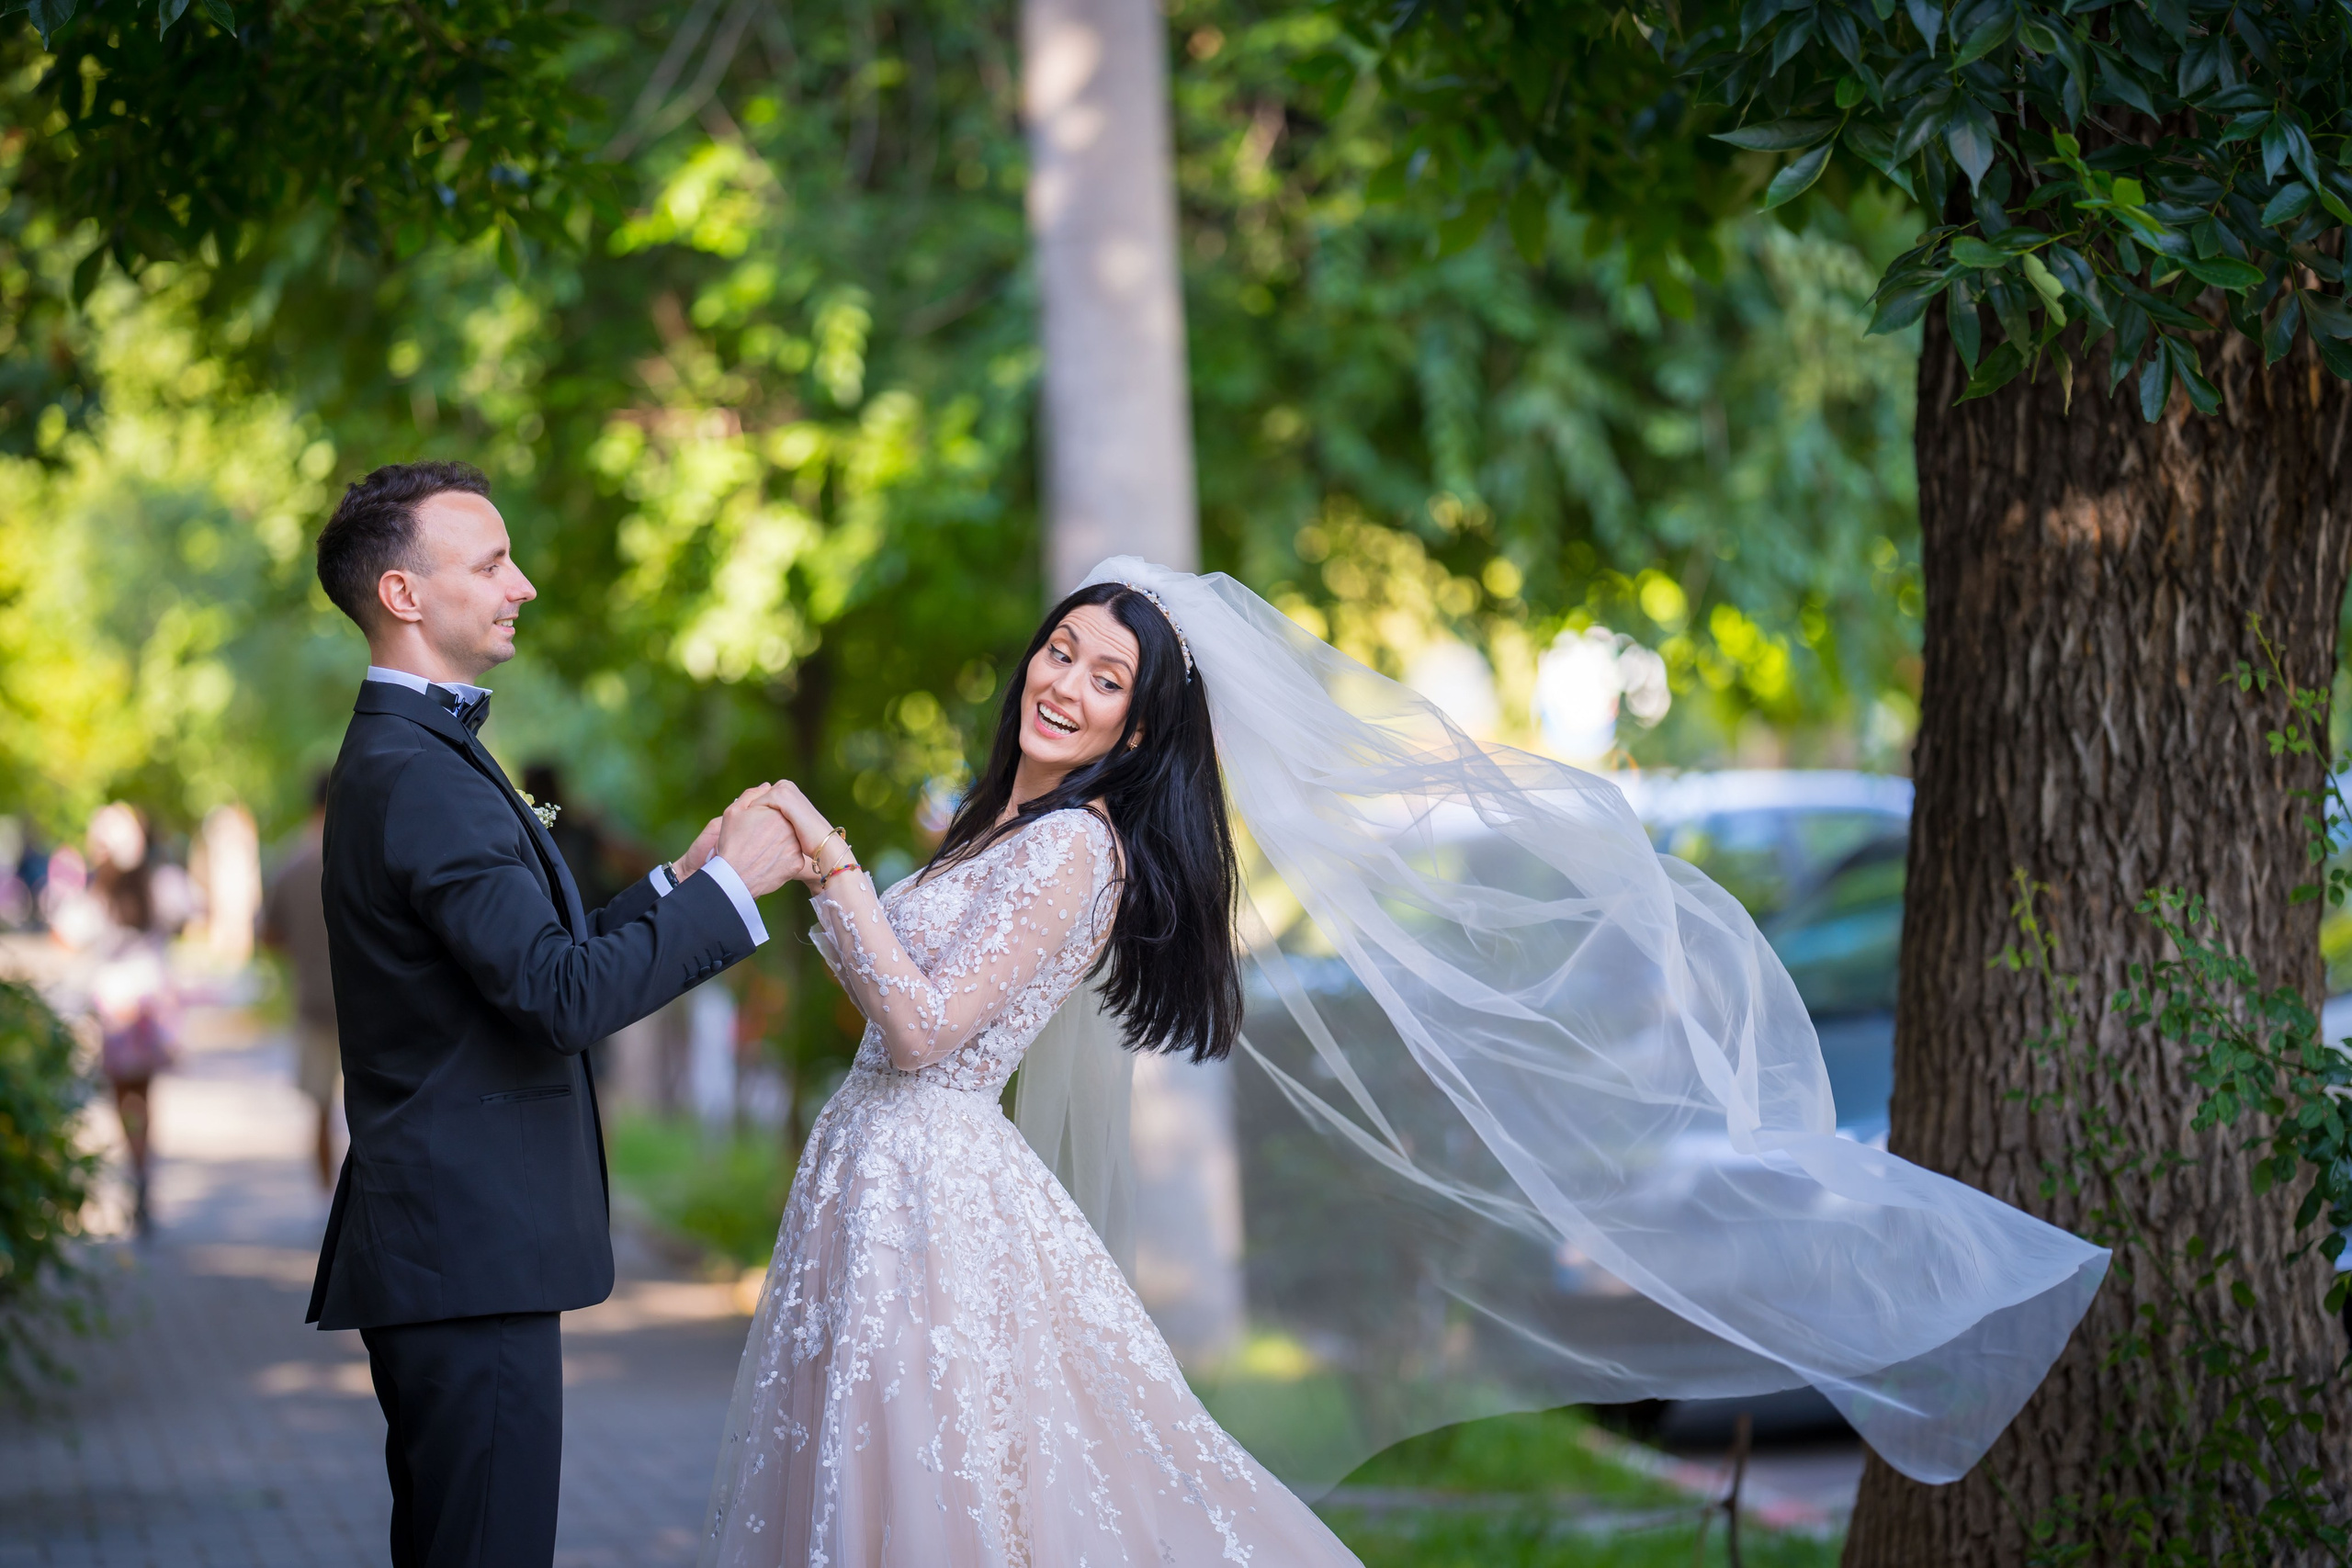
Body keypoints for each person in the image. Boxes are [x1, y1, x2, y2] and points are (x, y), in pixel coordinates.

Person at [700, 561, 2108, 1567]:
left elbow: (928, 1029)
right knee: (878, 1482)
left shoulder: (1078, 847)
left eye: (1106, 676)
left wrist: (829, 867)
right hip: (882, 1179)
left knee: (975, 1491)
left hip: (941, 1188)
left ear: (1141, 725)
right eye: (1060, 651)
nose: (1066, 682)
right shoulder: (992, 831)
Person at [305, 460, 805, 1568]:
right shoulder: (420, 772)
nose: (521, 584)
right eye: (490, 564)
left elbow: (537, 959)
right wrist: (741, 890)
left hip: (457, 1249)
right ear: (404, 596)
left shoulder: (418, 754)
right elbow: (561, 998)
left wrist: (681, 881)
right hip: (466, 1250)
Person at [85, 803, 177, 1238]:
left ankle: (135, 1163)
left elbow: (68, 932)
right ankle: (143, 1167)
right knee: (145, 1097)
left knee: (122, 1099)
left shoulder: (99, 891)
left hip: (115, 1009)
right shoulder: (158, 883)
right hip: (148, 1007)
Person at [259, 775, 343, 1190]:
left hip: (312, 1000)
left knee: (321, 1110)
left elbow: (267, 933)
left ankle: (328, 1203)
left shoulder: (291, 859)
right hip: (365, 1004)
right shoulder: (357, 851)